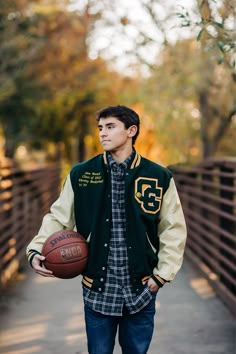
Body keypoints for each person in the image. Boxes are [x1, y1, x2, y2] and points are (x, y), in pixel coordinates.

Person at [26, 105, 187, 354]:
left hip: (142, 287)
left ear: (131, 131)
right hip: (97, 288)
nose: (102, 133)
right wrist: (37, 250)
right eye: (100, 128)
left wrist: (161, 276)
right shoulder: (81, 174)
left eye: (110, 127)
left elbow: (173, 228)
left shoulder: (159, 176)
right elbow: (59, 217)